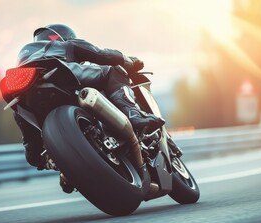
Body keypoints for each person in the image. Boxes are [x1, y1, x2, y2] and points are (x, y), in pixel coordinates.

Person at [13, 24, 165, 193]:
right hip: (58, 73)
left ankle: (60, 167)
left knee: (22, 113)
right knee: (112, 71)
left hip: (23, 87)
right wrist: (126, 60)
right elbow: (101, 54)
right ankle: (133, 113)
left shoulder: (26, 53)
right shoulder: (64, 45)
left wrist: (37, 157)